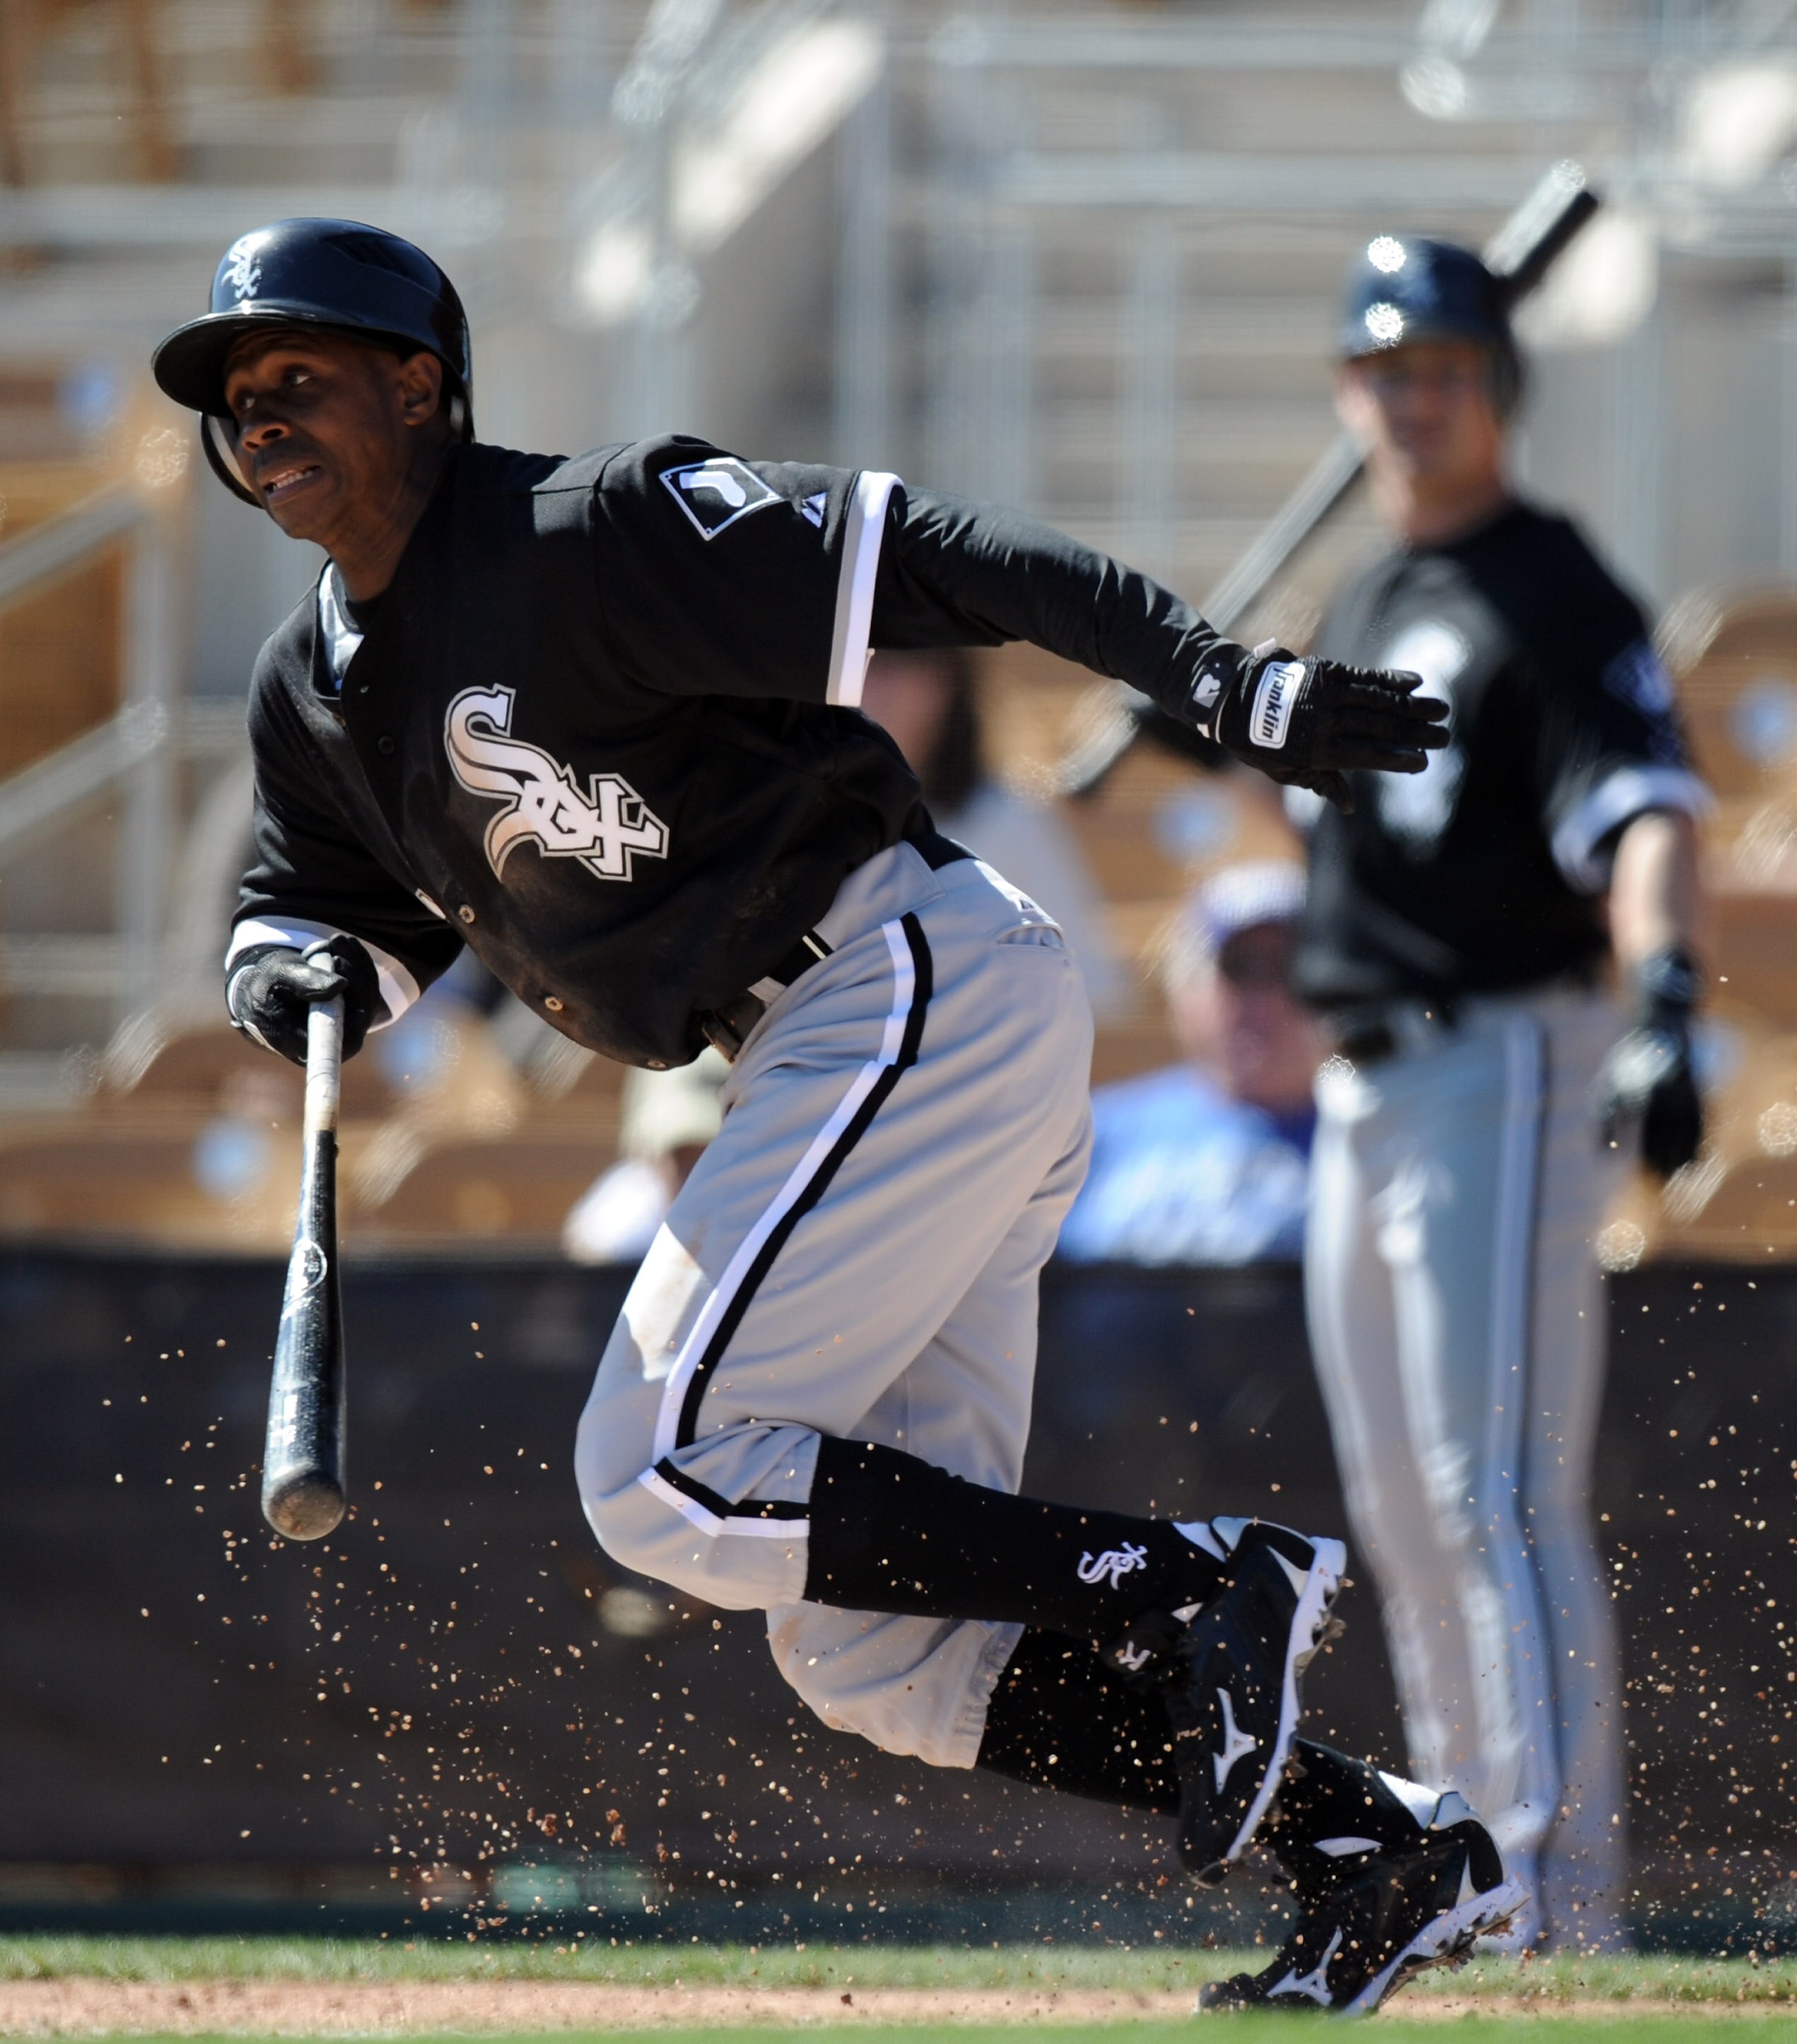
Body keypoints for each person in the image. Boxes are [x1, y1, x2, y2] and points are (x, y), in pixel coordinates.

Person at [153, 218, 1518, 2012]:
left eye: (299, 378)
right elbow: (334, 910)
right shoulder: (312, 689)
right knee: (881, 1653)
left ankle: (1195, 1583)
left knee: (659, 1473)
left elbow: (934, 552)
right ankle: (1383, 1843)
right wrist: (293, 970)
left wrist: (1220, 676)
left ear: (419, 384)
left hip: (895, 978)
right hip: (839, 1039)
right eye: (238, 397)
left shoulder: (585, 529)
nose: (260, 416)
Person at [1294, 234, 1711, 1953]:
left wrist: (1666, 989)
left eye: (1444, 368)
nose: (1413, 396)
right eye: (1387, 369)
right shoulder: (1369, 597)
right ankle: (1467, 1876)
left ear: (1496, 391)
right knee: (1404, 1513)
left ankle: (1555, 1896)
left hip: (1504, 1056)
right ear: (1351, 393)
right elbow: (1372, 863)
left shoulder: (1552, 586)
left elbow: (1649, 802)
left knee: (1497, 1495)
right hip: (1359, 1083)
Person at [1058, 858, 1322, 1266]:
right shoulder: (1087, 1137)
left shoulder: (1380, 1138)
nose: (1264, 1000)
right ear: (1183, 987)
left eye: (1286, 968)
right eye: (1238, 969)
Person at [859, 646, 1131, 1017]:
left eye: (898, 665)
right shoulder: (785, 821)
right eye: (861, 665)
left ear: (949, 683)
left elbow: (1087, 992)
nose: (873, 690)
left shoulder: (1009, 822)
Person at [563, 1051, 729, 1265]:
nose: (700, 1175)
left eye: (715, 1156)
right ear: (648, 1160)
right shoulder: (618, 1234)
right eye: (686, 1162)